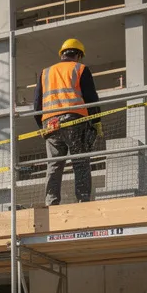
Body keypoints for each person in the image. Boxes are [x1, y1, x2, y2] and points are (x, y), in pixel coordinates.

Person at [33, 38, 103, 206]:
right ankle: (83, 201)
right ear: (78, 55)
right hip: (74, 121)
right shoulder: (80, 69)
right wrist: (97, 121)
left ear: (62, 54)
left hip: (50, 123)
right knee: (80, 161)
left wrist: (42, 124)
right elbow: (91, 99)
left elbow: (37, 104)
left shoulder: (46, 72)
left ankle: (51, 202)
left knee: (54, 165)